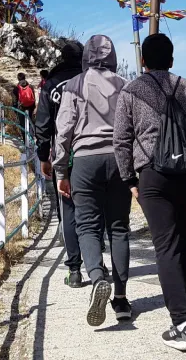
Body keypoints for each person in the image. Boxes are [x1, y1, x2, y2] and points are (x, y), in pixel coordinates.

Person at [113, 33, 186, 352]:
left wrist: (129, 179)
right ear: (172, 60)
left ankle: (182, 326)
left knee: (166, 245)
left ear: (142, 60)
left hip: (153, 177)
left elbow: (121, 140)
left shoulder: (131, 92)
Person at [54, 35, 131, 327]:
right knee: (119, 228)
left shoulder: (75, 84)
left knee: (87, 226)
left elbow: (64, 131)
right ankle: (121, 301)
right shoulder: (125, 85)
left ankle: (98, 278)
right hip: (119, 159)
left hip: (85, 161)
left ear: (87, 57)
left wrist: (61, 172)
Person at [36, 41, 85, 287]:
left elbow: (43, 123)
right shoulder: (91, 80)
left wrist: (43, 156)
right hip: (91, 152)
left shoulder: (51, 84)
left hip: (63, 154)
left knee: (68, 211)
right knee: (93, 209)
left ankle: (74, 269)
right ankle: (98, 264)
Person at [13, 72, 36, 143]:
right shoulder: (30, 86)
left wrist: (15, 109)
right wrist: (33, 107)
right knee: (30, 122)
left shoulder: (16, 88)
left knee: (22, 124)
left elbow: (15, 100)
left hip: (21, 107)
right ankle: (31, 140)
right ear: (25, 77)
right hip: (30, 106)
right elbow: (33, 97)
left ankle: (25, 141)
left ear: (18, 78)